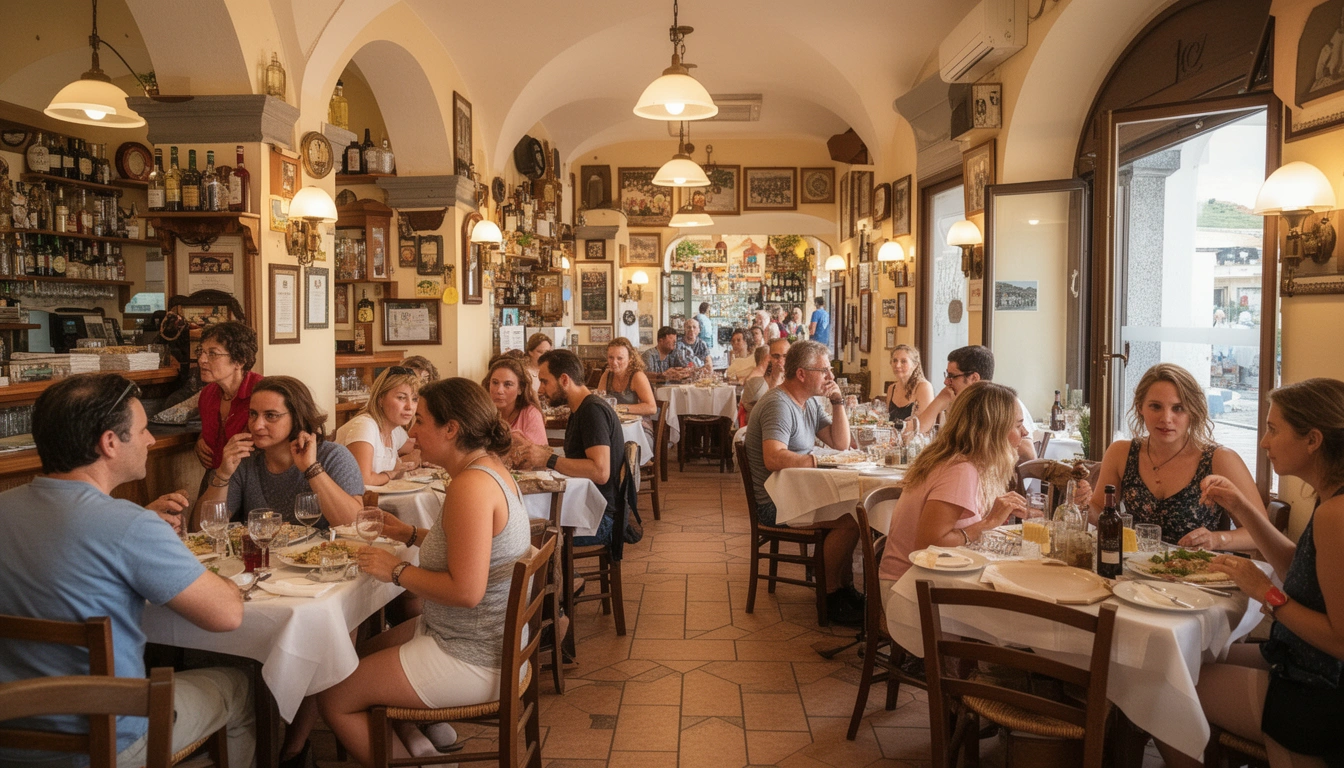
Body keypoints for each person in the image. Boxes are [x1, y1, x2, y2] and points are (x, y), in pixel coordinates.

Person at [0, 373, 253, 768]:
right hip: (105, 744)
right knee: (239, 686)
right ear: (110, 443)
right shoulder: (130, 525)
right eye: (143, 429)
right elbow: (227, 614)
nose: (152, 439)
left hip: (11, 741)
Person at [317, 378, 530, 767]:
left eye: (422, 421)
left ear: (451, 429)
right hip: (484, 638)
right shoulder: (489, 468)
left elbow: (466, 591)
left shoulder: (471, 486)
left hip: (473, 654)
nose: (412, 432)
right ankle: (411, 744)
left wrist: (395, 570)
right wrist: (408, 533)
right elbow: (471, 544)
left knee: (333, 695)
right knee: (350, 659)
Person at [1159, 378, 1344, 768]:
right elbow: (1302, 569)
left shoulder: (1336, 515)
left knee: (1166, 687)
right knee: (1189, 660)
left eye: (1274, 430)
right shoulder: (1330, 498)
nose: (1264, 442)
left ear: (1313, 439)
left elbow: (1340, 641)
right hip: (1300, 660)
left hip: (1318, 692)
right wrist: (1241, 508)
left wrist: (1267, 594)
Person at [743, 340, 862, 626]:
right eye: (824, 371)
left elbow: (840, 443)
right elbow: (773, 458)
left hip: (795, 495)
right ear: (801, 374)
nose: (830, 377)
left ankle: (845, 589)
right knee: (850, 520)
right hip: (773, 505)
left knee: (856, 511)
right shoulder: (778, 404)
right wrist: (816, 461)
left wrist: (837, 402)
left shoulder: (806, 404)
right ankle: (830, 595)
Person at [1088, 363, 1266, 548]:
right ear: (1140, 407)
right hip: (1133, 569)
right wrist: (1084, 505)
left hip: (1196, 572)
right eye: (1155, 407)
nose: (1166, 418)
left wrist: (1217, 539)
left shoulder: (1220, 459)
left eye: (1178, 408)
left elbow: (1261, 533)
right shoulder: (1121, 453)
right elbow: (1100, 512)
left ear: (1193, 411)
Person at [877, 382, 1034, 588]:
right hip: (912, 589)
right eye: (1017, 425)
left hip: (922, 580)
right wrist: (988, 522)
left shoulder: (954, 459)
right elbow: (928, 546)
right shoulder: (960, 470)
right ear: (991, 430)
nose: (1024, 433)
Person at [199, 376, 363, 527]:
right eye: (253, 414)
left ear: (297, 417)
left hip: (325, 556)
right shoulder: (245, 460)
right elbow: (203, 528)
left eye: (271, 415)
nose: (257, 425)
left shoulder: (333, 456)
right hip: (263, 556)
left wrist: (311, 468)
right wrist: (222, 474)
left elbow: (354, 525)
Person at [526, 349, 626, 547]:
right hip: (588, 507)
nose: (540, 390)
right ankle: (559, 576)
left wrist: (548, 459)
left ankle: (559, 577)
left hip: (600, 518)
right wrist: (538, 452)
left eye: (545, 382)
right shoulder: (580, 408)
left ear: (564, 379)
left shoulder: (591, 411)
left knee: (523, 534)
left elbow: (600, 472)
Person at [919, 345, 1037, 461]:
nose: (946, 382)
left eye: (952, 376)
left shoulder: (1005, 405)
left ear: (974, 378)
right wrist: (939, 401)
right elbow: (918, 433)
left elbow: (1029, 454)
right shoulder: (958, 403)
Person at [193, 322, 262, 482]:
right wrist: (199, 441)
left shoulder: (261, 392)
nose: (202, 360)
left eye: (213, 354)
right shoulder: (207, 394)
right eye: (201, 352)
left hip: (253, 479)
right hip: (217, 476)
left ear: (239, 361)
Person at [336, 366, 421, 487]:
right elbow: (363, 481)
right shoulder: (364, 426)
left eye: (414, 399)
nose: (410, 406)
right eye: (401, 398)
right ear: (380, 398)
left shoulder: (394, 429)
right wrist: (391, 474)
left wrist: (419, 456)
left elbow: (418, 448)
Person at [483, 354, 547, 446]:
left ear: (520, 389)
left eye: (508, 384)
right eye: (495, 383)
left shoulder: (530, 414)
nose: (499, 390)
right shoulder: (482, 413)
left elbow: (538, 457)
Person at [597, 338, 657, 417]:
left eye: (620, 358)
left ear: (630, 359)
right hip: (615, 423)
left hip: (639, 425)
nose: (614, 362)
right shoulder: (607, 375)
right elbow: (599, 402)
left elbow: (652, 408)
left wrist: (620, 408)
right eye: (611, 357)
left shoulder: (637, 376)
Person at [885, 344, 934, 424]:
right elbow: (887, 421)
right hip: (892, 436)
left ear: (915, 365)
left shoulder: (923, 387)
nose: (897, 365)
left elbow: (926, 424)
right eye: (895, 360)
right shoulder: (891, 388)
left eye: (903, 361)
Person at [742, 337, 789, 421]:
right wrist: (776, 377)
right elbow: (767, 411)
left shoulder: (792, 381)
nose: (781, 360)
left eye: (785, 356)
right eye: (776, 356)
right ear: (768, 358)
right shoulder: (756, 384)